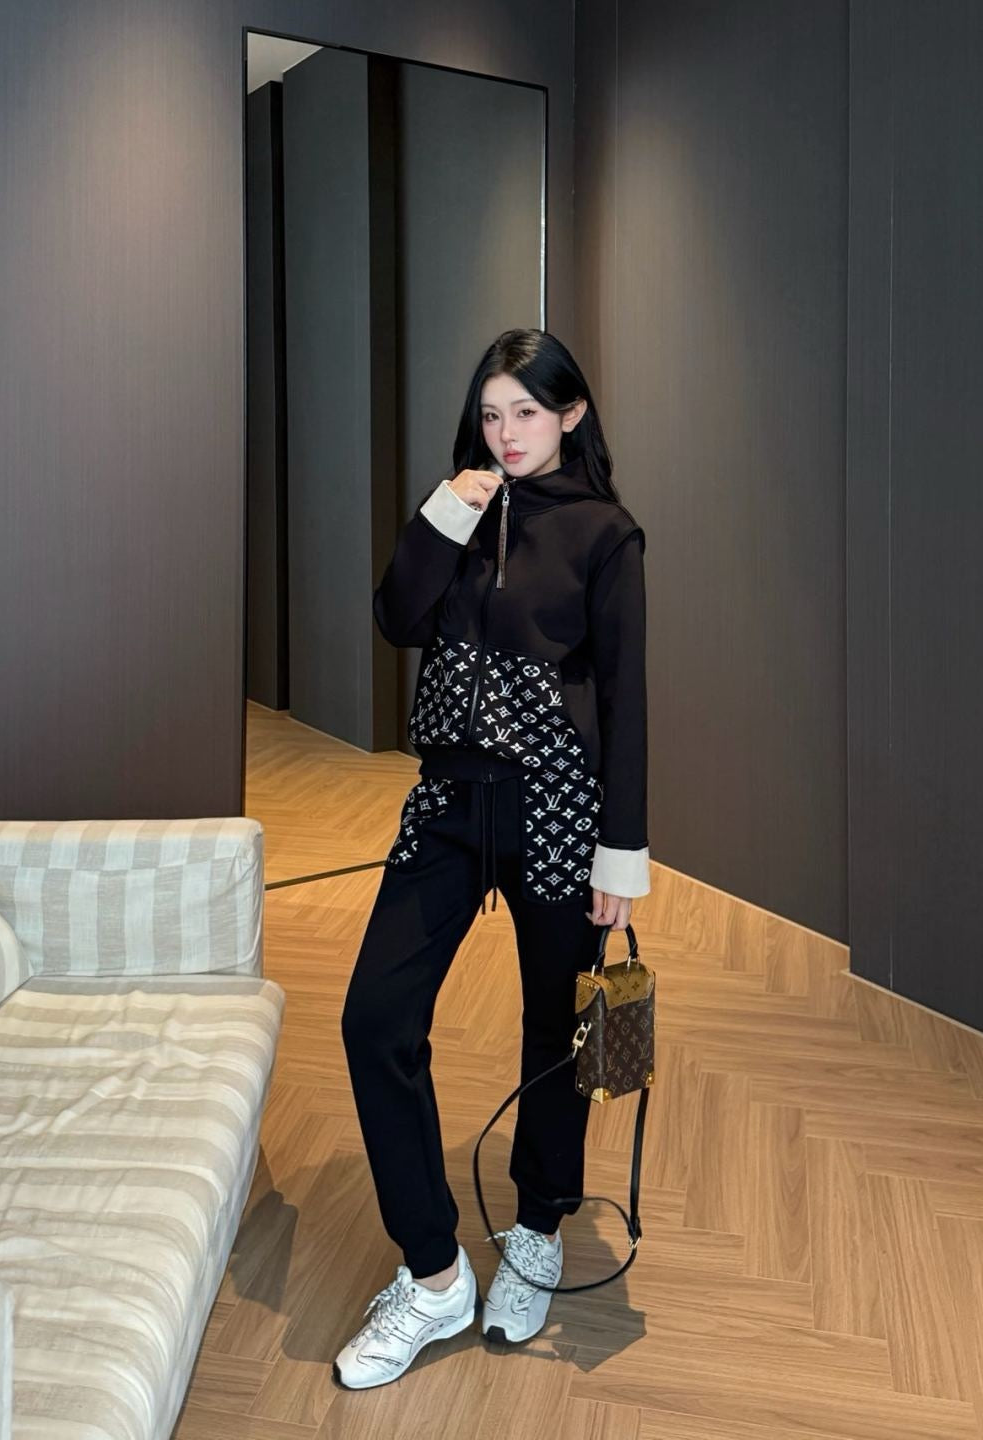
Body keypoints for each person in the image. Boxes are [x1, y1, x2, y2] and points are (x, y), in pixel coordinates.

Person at [334, 328, 649, 1390]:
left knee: (556, 1033)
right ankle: (433, 1275)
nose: (507, 434)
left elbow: (628, 699)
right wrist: (444, 514)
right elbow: (396, 618)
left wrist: (622, 852)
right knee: (376, 1020)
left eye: (527, 412)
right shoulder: (460, 507)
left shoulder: (606, 533)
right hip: (448, 804)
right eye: (491, 414)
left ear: (570, 415)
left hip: (557, 807)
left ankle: (541, 1228)